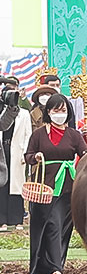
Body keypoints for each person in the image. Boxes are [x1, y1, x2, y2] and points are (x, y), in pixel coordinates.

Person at [25, 94, 87, 274]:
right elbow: (27, 155)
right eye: (55, 110)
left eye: (63, 111)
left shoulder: (74, 135)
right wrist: (35, 156)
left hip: (68, 187)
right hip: (43, 187)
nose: (59, 114)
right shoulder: (38, 135)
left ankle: (56, 266)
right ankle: (43, 267)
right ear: (48, 112)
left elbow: (85, 154)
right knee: (47, 224)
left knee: (60, 226)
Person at [1, 85, 30, 231]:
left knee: (17, 187)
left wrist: (25, 152)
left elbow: (27, 134)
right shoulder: (2, 112)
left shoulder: (24, 114)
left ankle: (17, 219)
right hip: (2, 151)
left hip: (17, 153)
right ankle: (2, 220)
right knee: (2, 185)